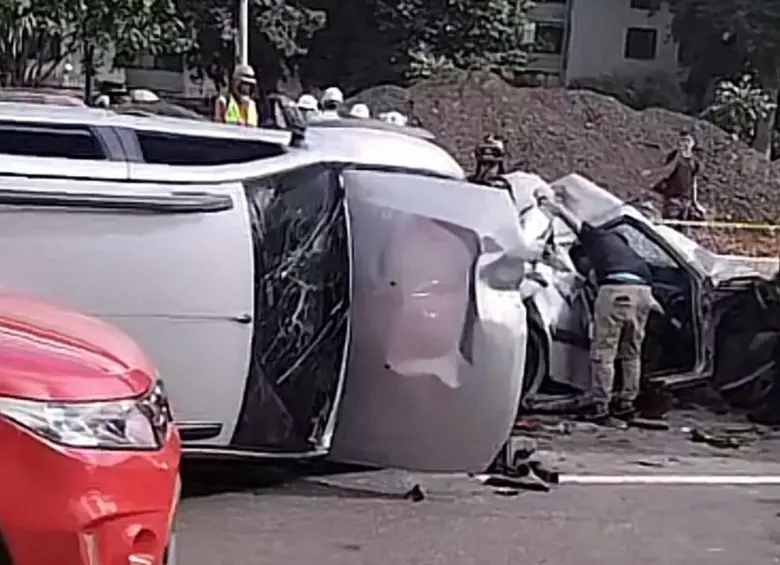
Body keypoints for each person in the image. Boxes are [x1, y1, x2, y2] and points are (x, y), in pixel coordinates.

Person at [536, 191, 660, 422]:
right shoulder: (632, 256)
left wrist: (554, 207)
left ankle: (599, 405)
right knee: (631, 353)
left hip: (615, 292)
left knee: (604, 353)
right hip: (643, 293)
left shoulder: (599, 239)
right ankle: (625, 402)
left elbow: (577, 226)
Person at [641, 131, 704, 224]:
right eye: (682, 140)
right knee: (669, 223)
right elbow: (666, 170)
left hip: (685, 200)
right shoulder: (675, 156)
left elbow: (693, 182)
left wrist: (695, 202)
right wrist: (651, 173)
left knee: (682, 227)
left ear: (692, 143)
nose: (684, 143)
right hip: (672, 198)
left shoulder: (695, 162)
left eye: (687, 141)